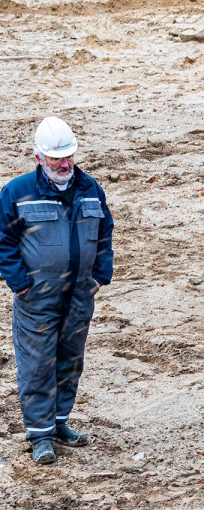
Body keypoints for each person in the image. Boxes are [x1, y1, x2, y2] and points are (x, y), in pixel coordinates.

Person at [0, 117, 113, 465]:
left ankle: (59, 423)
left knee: (70, 361)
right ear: (38, 158)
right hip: (36, 297)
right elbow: (3, 241)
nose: (64, 164)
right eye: (56, 158)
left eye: (69, 156)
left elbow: (106, 233)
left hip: (80, 295)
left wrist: (99, 277)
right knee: (36, 366)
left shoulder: (90, 188)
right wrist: (20, 285)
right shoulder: (16, 193)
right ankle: (39, 435)